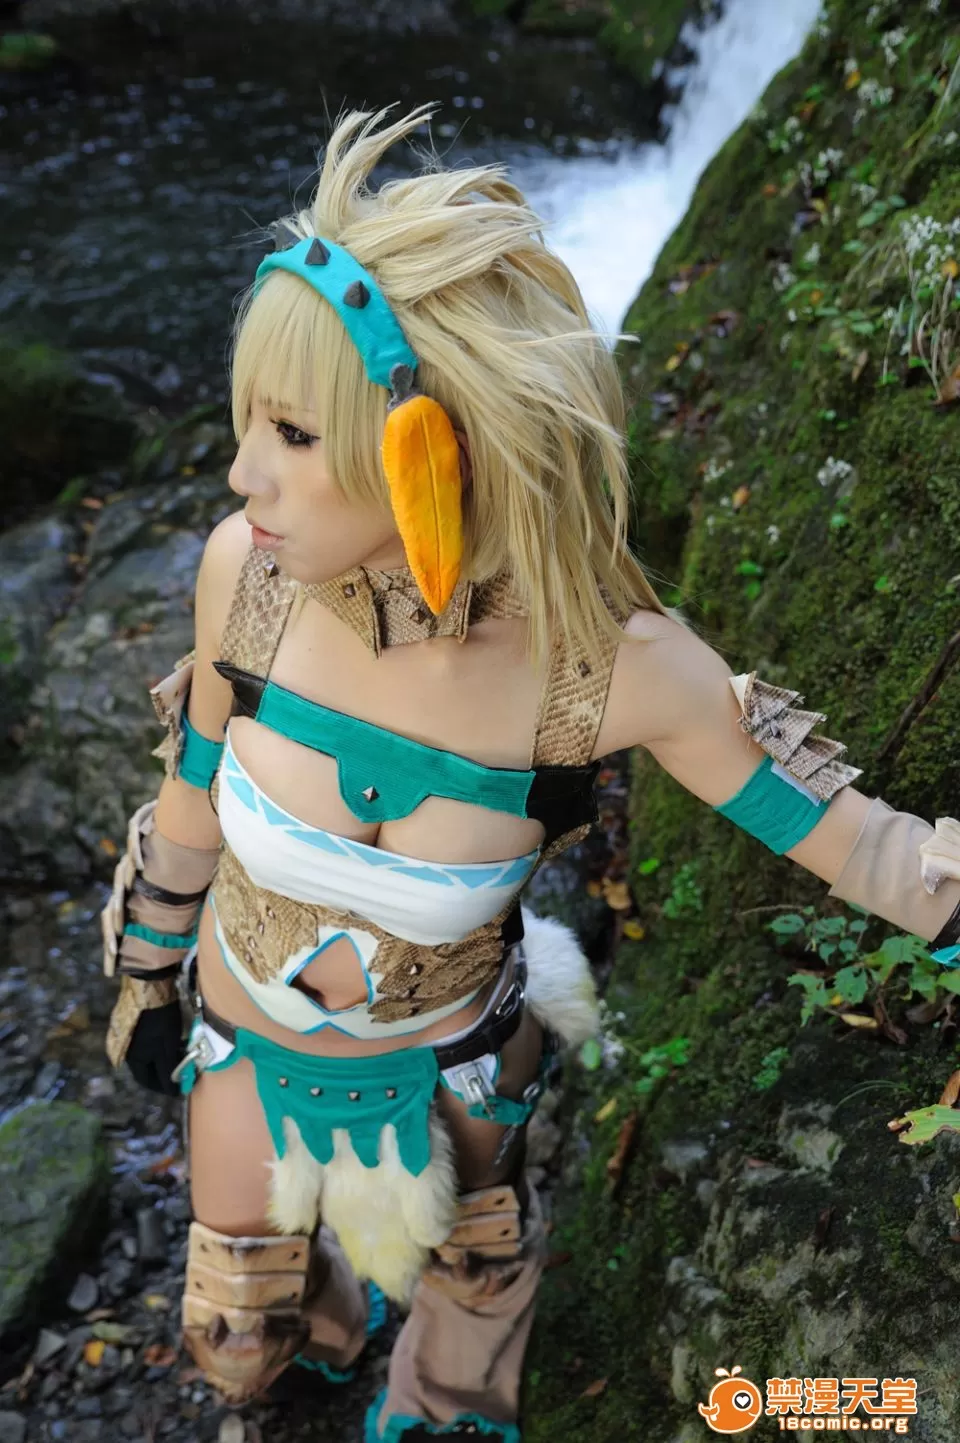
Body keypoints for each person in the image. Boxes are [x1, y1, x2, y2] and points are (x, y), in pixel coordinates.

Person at [101, 103, 960, 1442]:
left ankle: (441, 1393)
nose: (240, 470)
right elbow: (190, 794)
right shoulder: (246, 582)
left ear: (431, 451)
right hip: (239, 1046)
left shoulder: (608, 670)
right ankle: (323, 1336)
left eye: (294, 434)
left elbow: (865, 847)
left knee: (473, 1291)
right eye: (247, 420)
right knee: (239, 1338)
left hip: (456, 1069)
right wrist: (148, 976)